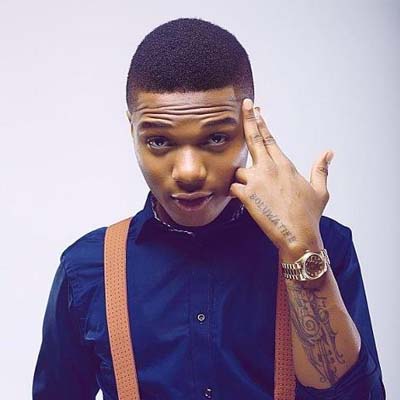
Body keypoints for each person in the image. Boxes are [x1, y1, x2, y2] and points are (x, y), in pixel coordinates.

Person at [32, 17, 386, 399]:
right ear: (132, 128)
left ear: (250, 126)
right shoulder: (87, 268)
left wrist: (302, 250)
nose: (189, 172)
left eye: (216, 138)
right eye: (159, 141)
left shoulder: (323, 245)